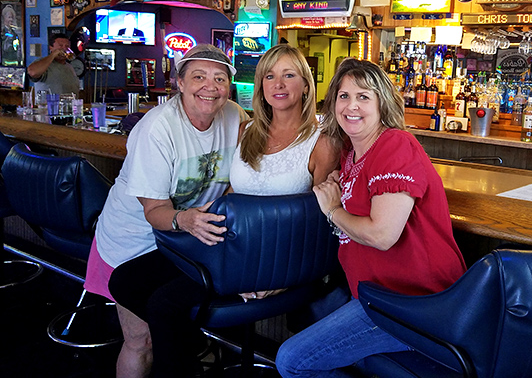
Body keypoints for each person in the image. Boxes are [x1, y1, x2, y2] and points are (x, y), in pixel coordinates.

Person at [144, 43, 340, 377]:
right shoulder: (246, 130)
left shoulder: (323, 140)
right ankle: (198, 357)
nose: (278, 84)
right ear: (261, 85)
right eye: (269, 76)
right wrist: (201, 215)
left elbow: (323, 221)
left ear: (306, 84)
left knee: (164, 304)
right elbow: (235, 193)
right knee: (133, 278)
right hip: (232, 247)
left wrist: (284, 278)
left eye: (289, 75)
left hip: (278, 262)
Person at [276, 58, 467, 377]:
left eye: (364, 96)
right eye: (343, 96)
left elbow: (382, 234)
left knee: (293, 361)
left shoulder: (395, 144)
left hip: (413, 305)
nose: (352, 105)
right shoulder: (350, 153)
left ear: (383, 103)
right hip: (376, 298)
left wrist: (334, 210)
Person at [83, 43, 248, 378]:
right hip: (134, 242)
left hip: (184, 243)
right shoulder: (158, 128)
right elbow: (155, 210)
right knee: (140, 341)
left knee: (169, 327)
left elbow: (252, 165)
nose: (210, 86)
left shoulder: (234, 115)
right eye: (198, 76)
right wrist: (185, 219)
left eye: (219, 79)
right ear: (180, 83)